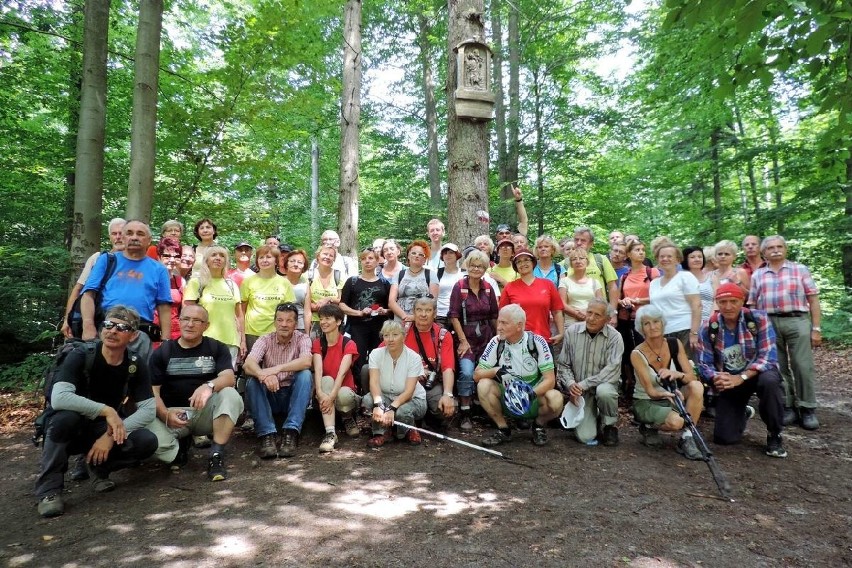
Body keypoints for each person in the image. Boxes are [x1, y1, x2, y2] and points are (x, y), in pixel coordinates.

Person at [35, 306, 158, 518]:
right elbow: (59, 397)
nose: (112, 331)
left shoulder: (135, 364)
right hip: (70, 425)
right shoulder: (80, 355)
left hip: (102, 428)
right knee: (65, 418)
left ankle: (98, 467)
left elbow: (148, 409)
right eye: (108, 325)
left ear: (134, 335)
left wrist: (109, 437)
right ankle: (50, 491)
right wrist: (107, 410)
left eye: (122, 327)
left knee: (146, 441)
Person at [147, 304, 244, 480]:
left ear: (206, 325)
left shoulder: (216, 348)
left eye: (196, 321)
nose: (190, 324)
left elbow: (229, 378)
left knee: (231, 395)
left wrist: (209, 386)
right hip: (172, 414)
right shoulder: (163, 352)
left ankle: (216, 454)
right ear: (179, 321)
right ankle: (178, 451)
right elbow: (153, 392)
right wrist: (164, 415)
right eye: (185, 319)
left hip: (205, 413)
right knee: (148, 441)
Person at [696, 283, 788, 457]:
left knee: (770, 382)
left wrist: (742, 376)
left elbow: (768, 357)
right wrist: (716, 377)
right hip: (730, 379)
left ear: (742, 301)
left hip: (757, 374)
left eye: (733, 301)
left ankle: (774, 434)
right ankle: (743, 412)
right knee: (724, 438)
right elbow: (704, 363)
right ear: (717, 302)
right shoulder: (709, 327)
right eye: (723, 302)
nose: (728, 306)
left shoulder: (758, 319)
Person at [748, 235, 822, 430]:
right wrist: (755, 329)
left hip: (797, 320)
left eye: (779, 246)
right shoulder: (758, 275)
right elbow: (753, 304)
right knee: (778, 366)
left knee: (802, 364)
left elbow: (813, 299)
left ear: (786, 249)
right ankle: (787, 405)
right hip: (769, 322)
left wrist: (816, 328)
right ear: (764, 252)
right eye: (771, 248)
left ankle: (807, 407)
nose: (776, 250)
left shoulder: (800, 270)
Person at [79, 220, 173, 360]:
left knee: (137, 377)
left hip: (139, 333)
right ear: (122, 238)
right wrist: (88, 326)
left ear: (149, 240)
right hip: (107, 329)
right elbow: (88, 295)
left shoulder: (159, 269)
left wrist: (166, 341)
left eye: (140, 234)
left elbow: (164, 307)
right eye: (129, 233)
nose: (134, 237)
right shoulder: (107, 260)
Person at [474, 304, 564, 447]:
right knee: (483, 385)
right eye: (499, 321)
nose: (499, 327)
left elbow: (550, 380)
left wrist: (528, 394)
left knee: (556, 399)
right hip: (507, 394)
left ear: (519, 326)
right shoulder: (496, 342)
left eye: (504, 323)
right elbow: (477, 374)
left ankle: (538, 425)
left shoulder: (537, 342)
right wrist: (495, 371)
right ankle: (503, 429)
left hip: (532, 395)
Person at [631, 305, 704, 460]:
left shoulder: (674, 343)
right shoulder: (637, 353)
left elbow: (691, 377)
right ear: (641, 328)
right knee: (677, 422)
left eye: (656, 321)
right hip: (648, 401)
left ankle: (687, 438)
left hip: (671, 395)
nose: (653, 327)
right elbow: (650, 391)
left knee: (696, 386)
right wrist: (666, 393)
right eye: (647, 323)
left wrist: (677, 374)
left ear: (663, 323)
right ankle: (648, 426)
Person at [243, 303, 313, 458]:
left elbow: (306, 361)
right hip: (270, 395)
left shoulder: (303, 338)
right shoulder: (265, 339)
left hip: (291, 395)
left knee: (305, 375)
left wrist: (277, 369)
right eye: (280, 320)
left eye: (289, 321)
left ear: (295, 324)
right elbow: (249, 364)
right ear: (274, 322)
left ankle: (291, 432)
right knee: (252, 381)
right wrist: (263, 375)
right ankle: (267, 435)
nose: (284, 324)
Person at [556, 300, 624, 446]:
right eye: (589, 312)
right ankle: (595, 416)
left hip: (602, 387)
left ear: (607, 319)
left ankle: (609, 425)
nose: (591, 318)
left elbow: (612, 369)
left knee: (605, 391)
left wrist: (583, 384)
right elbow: (563, 364)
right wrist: (571, 385)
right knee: (585, 437)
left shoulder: (615, 337)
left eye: (597, 315)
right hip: (580, 393)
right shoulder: (572, 332)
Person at [449, 249, 499, 431]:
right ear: (467, 266)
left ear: (485, 268)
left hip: (486, 338)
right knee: (467, 372)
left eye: (480, 266)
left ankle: (488, 410)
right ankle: (465, 411)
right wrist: (462, 341)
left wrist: (498, 339)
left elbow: (494, 315)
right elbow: (453, 315)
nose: (476, 269)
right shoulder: (459, 287)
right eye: (473, 265)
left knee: (487, 372)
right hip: (466, 336)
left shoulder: (488, 288)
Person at [362, 320, 428, 447]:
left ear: (403, 336)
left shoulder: (413, 357)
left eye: (395, 335)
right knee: (367, 401)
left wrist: (392, 408)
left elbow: (409, 391)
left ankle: (407, 429)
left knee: (402, 411)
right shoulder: (375, 354)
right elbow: (374, 382)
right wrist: (379, 404)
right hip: (385, 395)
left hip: (412, 399)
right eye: (386, 335)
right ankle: (380, 432)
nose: (390, 339)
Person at [611, 239, 659, 400]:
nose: (641, 252)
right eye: (637, 250)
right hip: (627, 320)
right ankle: (631, 386)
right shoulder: (624, 276)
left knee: (647, 353)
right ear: (629, 254)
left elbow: (658, 297)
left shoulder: (652, 273)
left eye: (642, 249)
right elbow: (616, 298)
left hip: (647, 319)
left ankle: (649, 387)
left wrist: (638, 301)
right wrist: (623, 301)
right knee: (629, 354)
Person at [62, 217, 126, 339]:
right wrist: (67, 320)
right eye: (114, 233)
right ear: (110, 236)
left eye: (121, 233)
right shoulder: (97, 258)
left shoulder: (137, 263)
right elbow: (78, 289)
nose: (118, 237)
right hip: (96, 320)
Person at [184, 245, 246, 366]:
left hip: (230, 341)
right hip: (203, 341)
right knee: (204, 380)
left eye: (222, 256)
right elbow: (187, 314)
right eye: (214, 255)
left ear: (226, 261)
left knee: (227, 380)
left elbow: (239, 316)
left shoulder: (232, 285)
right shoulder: (197, 283)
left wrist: (242, 341)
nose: (218, 258)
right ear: (206, 260)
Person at [312, 304, 361, 453]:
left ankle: (347, 417)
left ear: (339, 321)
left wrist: (331, 395)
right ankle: (330, 433)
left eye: (328, 318)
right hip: (326, 391)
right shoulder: (318, 343)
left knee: (342, 394)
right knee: (325, 380)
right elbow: (318, 370)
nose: (323, 322)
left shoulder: (348, 343)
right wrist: (320, 392)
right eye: (321, 319)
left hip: (343, 392)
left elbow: (342, 373)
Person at [402, 297, 457, 428]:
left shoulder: (443, 335)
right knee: (366, 369)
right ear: (413, 312)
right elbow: (381, 355)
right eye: (419, 310)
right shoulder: (402, 331)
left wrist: (448, 394)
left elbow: (448, 367)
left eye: (428, 310)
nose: (423, 314)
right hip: (404, 379)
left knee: (442, 409)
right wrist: (414, 372)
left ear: (435, 313)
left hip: (430, 383)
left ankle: (428, 417)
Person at [499, 248, 564, 352]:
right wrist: (501, 336)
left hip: (543, 340)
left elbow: (556, 311)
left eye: (526, 260)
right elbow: (502, 316)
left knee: (548, 369)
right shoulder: (509, 287)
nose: (522, 263)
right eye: (518, 261)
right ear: (515, 266)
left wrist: (561, 333)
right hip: (516, 341)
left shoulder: (548, 285)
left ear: (533, 262)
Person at [649, 244, 701, 359]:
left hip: (684, 330)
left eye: (669, 256)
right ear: (657, 259)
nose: (665, 259)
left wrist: (694, 333)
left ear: (677, 260)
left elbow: (696, 305)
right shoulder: (653, 283)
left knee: (688, 369)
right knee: (670, 371)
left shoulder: (685, 277)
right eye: (662, 256)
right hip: (662, 334)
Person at [241, 245, 295, 353]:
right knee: (252, 367)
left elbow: (289, 313)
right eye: (261, 257)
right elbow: (241, 312)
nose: (264, 260)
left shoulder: (285, 283)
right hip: (252, 333)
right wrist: (241, 339)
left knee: (275, 368)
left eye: (268, 257)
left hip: (276, 333)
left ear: (276, 261)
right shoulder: (248, 282)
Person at [388, 240, 439, 324]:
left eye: (420, 254)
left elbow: (433, 300)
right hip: (401, 320)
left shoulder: (431, 274)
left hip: (423, 320)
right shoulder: (399, 275)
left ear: (425, 259)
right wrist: (405, 316)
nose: (417, 256)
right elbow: (391, 302)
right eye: (414, 253)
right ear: (408, 256)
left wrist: (416, 317)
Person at [570, 226, 618, 302]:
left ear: (591, 244)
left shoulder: (601, 260)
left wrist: (613, 311)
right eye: (576, 240)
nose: (579, 243)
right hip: (573, 311)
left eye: (583, 240)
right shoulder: (565, 264)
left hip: (598, 311)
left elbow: (612, 287)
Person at [306, 245, 344, 338]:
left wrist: (329, 299)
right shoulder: (309, 275)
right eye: (325, 254)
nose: (327, 257)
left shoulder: (339, 276)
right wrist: (317, 307)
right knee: (315, 349)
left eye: (331, 255)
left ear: (334, 259)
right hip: (314, 321)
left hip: (334, 322)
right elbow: (304, 301)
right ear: (318, 256)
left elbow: (342, 300)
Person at [559, 246, 603, 326]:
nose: (578, 261)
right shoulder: (564, 281)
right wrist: (576, 314)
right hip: (571, 323)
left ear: (587, 262)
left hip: (592, 322)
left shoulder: (595, 282)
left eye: (582, 258)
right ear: (571, 263)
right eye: (574, 259)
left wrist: (588, 314)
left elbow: (600, 304)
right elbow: (562, 303)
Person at [155, 237, 185, 342]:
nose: (172, 260)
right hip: (153, 331)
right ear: (159, 257)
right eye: (167, 256)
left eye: (176, 256)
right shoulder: (150, 278)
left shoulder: (181, 281)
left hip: (176, 333)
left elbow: (185, 310)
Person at [280, 248, 312, 332]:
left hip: (300, 327)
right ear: (286, 264)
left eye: (300, 262)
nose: (296, 264)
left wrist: (307, 334)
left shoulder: (305, 285)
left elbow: (307, 312)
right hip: (280, 327)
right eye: (292, 261)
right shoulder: (278, 282)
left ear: (303, 267)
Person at [435, 243, 465, 327]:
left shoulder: (464, 273)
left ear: (457, 255)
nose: (448, 255)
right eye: (445, 253)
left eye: (451, 252)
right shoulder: (437, 272)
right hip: (440, 314)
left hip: (459, 314)